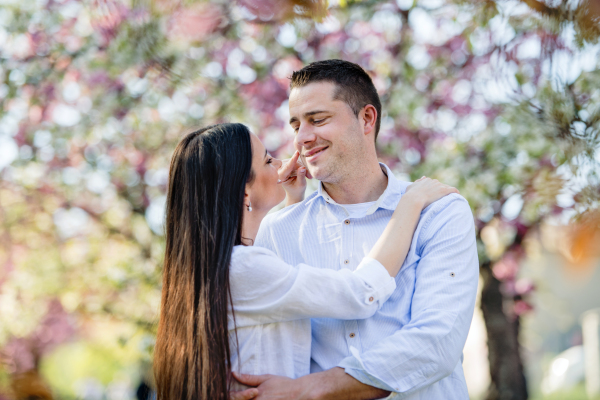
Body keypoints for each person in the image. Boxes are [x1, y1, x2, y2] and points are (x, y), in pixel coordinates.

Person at [152, 123, 458, 400]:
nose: (283, 166)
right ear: (245, 188)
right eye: (268, 160)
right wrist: (409, 204)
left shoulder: (212, 268)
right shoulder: (244, 269)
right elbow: (361, 292)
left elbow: (272, 284)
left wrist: (292, 202)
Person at [233, 60, 480, 399]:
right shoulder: (278, 230)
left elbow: (436, 343)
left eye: (317, 120)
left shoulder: (439, 212)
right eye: (295, 125)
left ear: (366, 119)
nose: (303, 137)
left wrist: (307, 390)